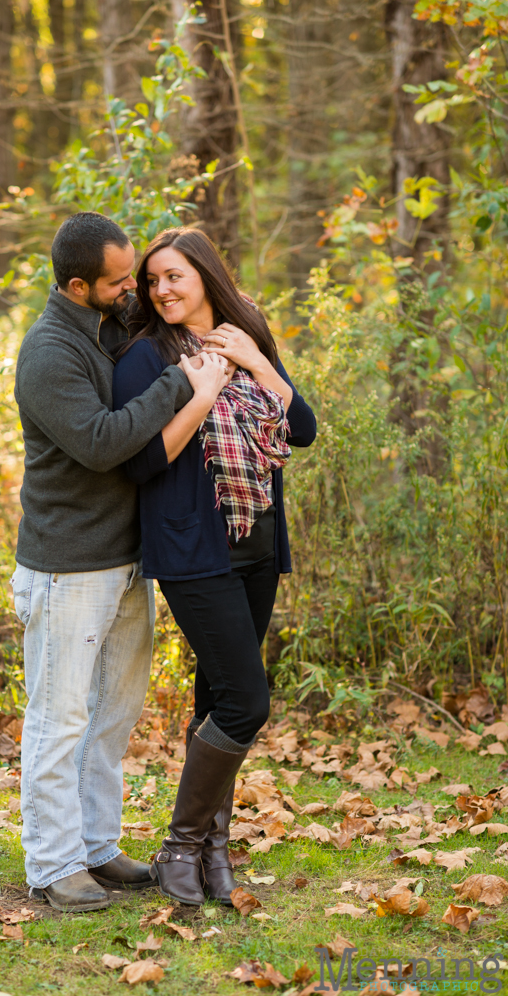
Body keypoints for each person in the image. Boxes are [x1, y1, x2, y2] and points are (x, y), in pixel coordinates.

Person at [12, 212, 231, 912]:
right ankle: (52, 865)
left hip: (124, 558)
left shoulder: (108, 324)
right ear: (79, 286)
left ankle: (97, 848)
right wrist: (178, 383)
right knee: (59, 717)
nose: (132, 289)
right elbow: (103, 443)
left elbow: (180, 296)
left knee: (112, 715)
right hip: (67, 567)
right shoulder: (49, 351)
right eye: (118, 281)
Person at [113, 227, 316, 906]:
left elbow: (302, 427)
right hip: (190, 549)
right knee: (247, 700)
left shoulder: (245, 329)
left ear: (204, 275)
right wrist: (196, 392)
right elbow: (140, 463)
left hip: (257, 545)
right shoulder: (144, 357)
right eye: (152, 280)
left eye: (175, 276)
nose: (162, 289)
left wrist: (256, 360)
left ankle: (210, 854)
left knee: (217, 699)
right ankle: (178, 846)